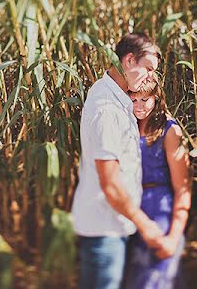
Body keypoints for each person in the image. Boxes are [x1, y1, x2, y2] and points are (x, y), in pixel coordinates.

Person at [71, 32, 168, 289]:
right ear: (128, 61)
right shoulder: (107, 110)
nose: (151, 76)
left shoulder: (116, 99)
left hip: (112, 226)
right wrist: (144, 224)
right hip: (105, 229)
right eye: (147, 68)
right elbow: (110, 184)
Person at [123, 76, 190, 289]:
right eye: (134, 100)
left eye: (145, 99)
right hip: (129, 211)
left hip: (159, 209)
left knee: (156, 280)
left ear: (156, 98)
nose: (139, 106)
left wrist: (173, 236)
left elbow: (183, 187)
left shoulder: (169, 130)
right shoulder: (125, 126)